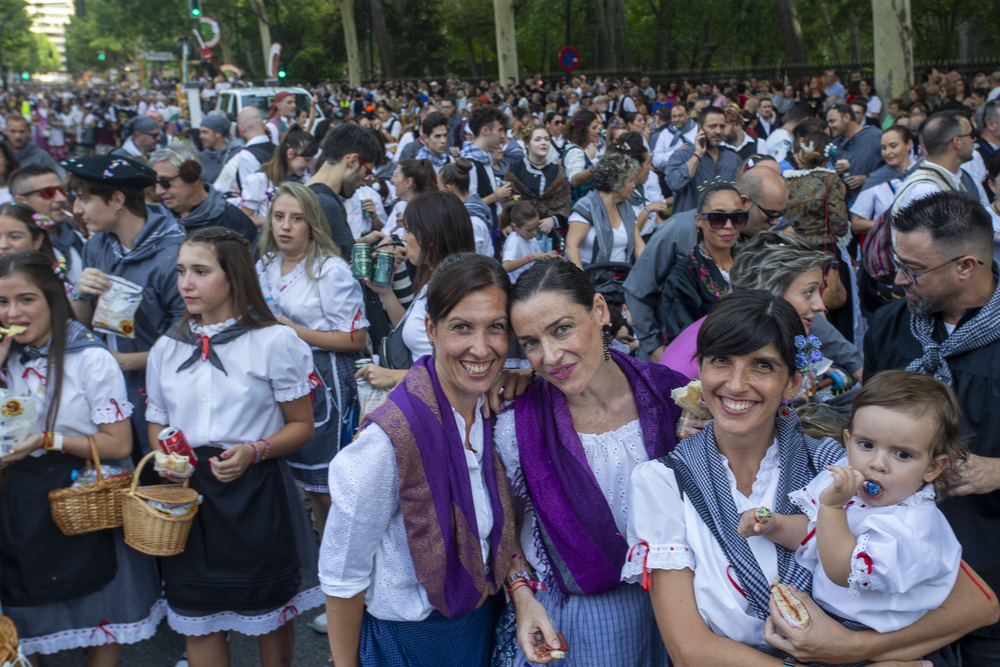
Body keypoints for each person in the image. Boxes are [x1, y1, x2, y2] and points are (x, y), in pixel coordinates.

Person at [625, 289, 999, 667]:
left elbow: (978, 605)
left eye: (763, 365)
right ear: (701, 368)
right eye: (721, 361)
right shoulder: (663, 483)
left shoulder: (842, 469)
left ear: (792, 382)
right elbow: (689, 650)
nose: (737, 384)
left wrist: (850, 649)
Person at [321, 253, 518, 667]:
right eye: (461, 327)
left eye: (495, 328)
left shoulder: (489, 413)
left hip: (477, 625)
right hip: (410, 642)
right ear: (431, 328)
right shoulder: (387, 443)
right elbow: (343, 576)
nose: (481, 348)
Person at [494, 258, 686, 666]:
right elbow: (505, 529)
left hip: (680, 602)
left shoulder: (672, 397)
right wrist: (523, 595)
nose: (549, 356)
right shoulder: (518, 427)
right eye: (530, 342)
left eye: (562, 329)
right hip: (577, 619)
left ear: (600, 310)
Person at [145, 227, 320, 667]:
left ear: (234, 277)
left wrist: (254, 450)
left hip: (254, 488)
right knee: (197, 615)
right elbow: (157, 421)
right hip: (188, 495)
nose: (186, 283)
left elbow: (302, 425)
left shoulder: (274, 341)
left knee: (268, 609)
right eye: (182, 271)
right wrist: (169, 459)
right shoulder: (167, 348)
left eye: (200, 271)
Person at [0, 251, 163, 663]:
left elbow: (119, 444)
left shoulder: (91, 359)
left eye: (25, 299)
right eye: (2, 302)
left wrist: (48, 440)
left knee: (100, 608)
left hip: (84, 496)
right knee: (23, 614)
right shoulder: (7, 357)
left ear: (52, 298)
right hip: (19, 499)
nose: (11, 312)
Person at [865, 192, 1000, 664]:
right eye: (899, 262)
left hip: (989, 570)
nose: (900, 278)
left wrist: (999, 470)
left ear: (966, 265)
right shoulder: (889, 326)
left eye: (915, 268)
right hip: (901, 576)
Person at [742, 370, 967, 634]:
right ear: (848, 442)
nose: (878, 464)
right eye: (867, 445)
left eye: (903, 454)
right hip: (832, 616)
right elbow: (814, 534)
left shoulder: (910, 528)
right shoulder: (845, 478)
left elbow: (841, 570)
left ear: (932, 467)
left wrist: (832, 507)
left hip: (873, 632)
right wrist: (773, 525)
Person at [67, 155, 186, 457]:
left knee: (164, 474)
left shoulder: (173, 255)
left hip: (164, 393)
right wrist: (81, 294)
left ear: (117, 200)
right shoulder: (97, 244)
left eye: (83, 199)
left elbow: (188, 341)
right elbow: (84, 324)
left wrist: (123, 362)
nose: (76, 209)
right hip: (114, 390)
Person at [624, 163, 788, 362]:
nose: (774, 222)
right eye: (717, 218)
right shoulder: (678, 232)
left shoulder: (752, 245)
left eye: (736, 218)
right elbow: (637, 289)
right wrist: (654, 347)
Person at [356, 191, 476, 390]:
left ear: (430, 236)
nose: (403, 237)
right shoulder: (436, 281)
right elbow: (413, 329)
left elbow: (463, 371)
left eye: (408, 230)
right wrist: (385, 292)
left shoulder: (458, 292)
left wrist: (396, 376)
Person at [783, 132, 859, 346]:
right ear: (828, 155)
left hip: (797, 254)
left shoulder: (788, 181)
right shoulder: (830, 179)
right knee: (836, 310)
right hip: (826, 252)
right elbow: (839, 223)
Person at [660, 183, 743, 342]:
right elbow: (684, 340)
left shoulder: (750, 263)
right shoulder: (684, 277)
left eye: (737, 217)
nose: (729, 226)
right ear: (699, 220)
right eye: (717, 218)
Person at [149, 143, 257, 243]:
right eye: (156, 183)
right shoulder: (156, 219)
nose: (159, 191)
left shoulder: (233, 221)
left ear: (192, 175)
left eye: (165, 182)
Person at [566, 152, 644, 276]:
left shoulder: (626, 207)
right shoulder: (586, 207)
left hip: (621, 278)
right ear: (617, 183)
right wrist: (582, 282)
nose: (634, 186)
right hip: (591, 278)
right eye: (630, 180)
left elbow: (639, 245)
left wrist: (646, 272)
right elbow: (571, 245)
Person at [9, 164, 85, 286]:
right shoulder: (14, 247)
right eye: (48, 193)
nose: (61, 198)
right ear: (21, 201)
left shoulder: (77, 235)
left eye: (62, 190)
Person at [665, 106, 740, 214]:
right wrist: (697, 155)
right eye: (712, 126)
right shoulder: (681, 156)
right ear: (700, 128)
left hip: (724, 225)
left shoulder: (733, 159)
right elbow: (675, 184)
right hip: (691, 227)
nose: (718, 131)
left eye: (722, 126)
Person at [505, 124, 571, 244]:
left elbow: (565, 205)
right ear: (527, 144)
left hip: (551, 235)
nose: (543, 143)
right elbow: (510, 201)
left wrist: (553, 219)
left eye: (546, 139)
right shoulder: (515, 171)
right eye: (537, 139)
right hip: (521, 233)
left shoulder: (558, 172)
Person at [240, 128, 318, 225]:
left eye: (311, 160)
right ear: (290, 154)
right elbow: (244, 219)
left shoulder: (307, 182)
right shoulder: (260, 181)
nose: (310, 165)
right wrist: (276, 220)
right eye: (307, 160)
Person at [826, 103, 884, 203]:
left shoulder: (875, 136)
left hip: (873, 203)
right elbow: (827, 169)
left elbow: (893, 167)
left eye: (832, 121)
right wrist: (834, 171)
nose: (829, 126)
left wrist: (868, 178)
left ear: (846, 118)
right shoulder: (834, 143)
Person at [500, 200, 560, 283]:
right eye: (529, 230)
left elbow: (538, 257)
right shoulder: (514, 240)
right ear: (516, 227)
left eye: (536, 228)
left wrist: (547, 255)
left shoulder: (531, 238)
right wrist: (531, 257)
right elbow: (505, 267)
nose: (534, 232)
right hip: (516, 284)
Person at [562, 108, 601, 204]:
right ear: (583, 130)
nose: (598, 131)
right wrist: (596, 167)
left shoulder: (579, 151)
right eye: (594, 128)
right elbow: (574, 181)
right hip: (578, 208)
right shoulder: (575, 152)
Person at [198, 114, 240, 185]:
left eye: (205, 132)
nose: (200, 136)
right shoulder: (200, 158)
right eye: (200, 132)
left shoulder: (236, 154)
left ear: (218, 133)